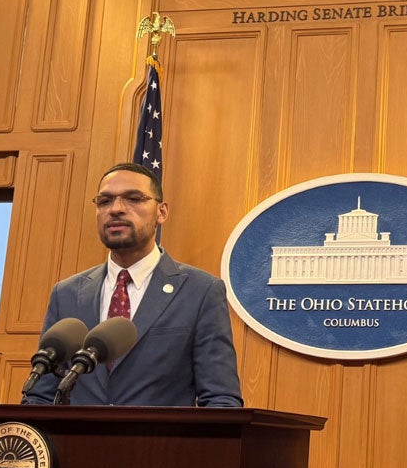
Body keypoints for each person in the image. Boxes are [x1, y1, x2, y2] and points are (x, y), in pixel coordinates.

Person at [23, 163, 243, 407]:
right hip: (77, 433)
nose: (116, 209)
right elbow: (40, 396)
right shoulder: (66, 293)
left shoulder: (201, 291)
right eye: (105, 201)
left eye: (134, 199)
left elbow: (221, 399)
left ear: (161, 212)